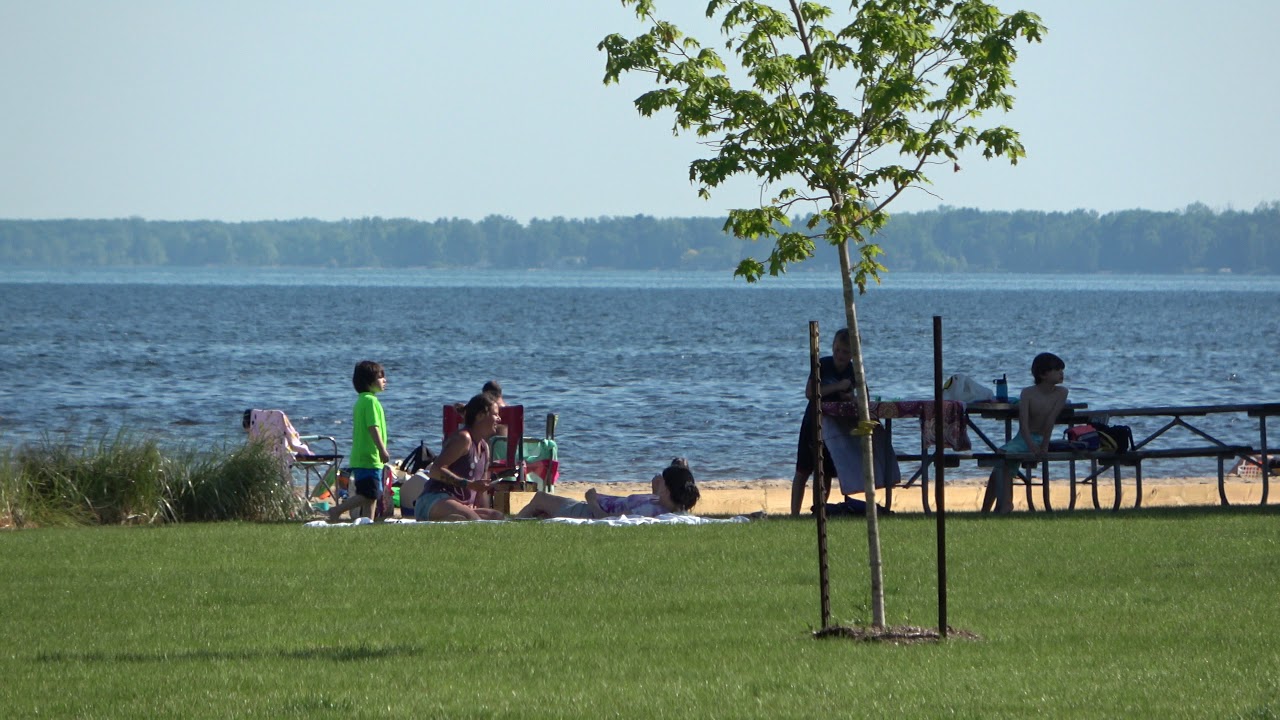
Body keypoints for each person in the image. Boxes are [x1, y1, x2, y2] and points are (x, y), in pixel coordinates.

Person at [982, 352, 1069, 514]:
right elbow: (1023, 425)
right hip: (1024, 438)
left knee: (1002, 460)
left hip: (1041, 438)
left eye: (1061, 370)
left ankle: (1003, 505)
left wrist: (1043, 447)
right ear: (1043, 374)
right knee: (1002, 460)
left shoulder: (1062, 393)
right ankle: (994, 507)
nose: (1061, 374)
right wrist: (1030, 445)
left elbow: (1050, 421)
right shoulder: (1027, 393)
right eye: (1057, 370)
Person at [791, 328, 856, 516]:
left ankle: (819, 511)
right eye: (837, 350)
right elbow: (810, 392)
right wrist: (837, 386)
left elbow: (863, 398)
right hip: (813, 422)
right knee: (803, 470)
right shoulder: (823, 364)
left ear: (852, 354)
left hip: (835, 427)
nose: (840, 355)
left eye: (845, 352)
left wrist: (850, 397)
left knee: (826, 472)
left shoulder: (853, 370)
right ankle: (794, 514)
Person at [414, 393, 505, 522]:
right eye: (495, 414)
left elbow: (481, 491)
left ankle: (451, 519)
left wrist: (487, 520)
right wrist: (468, 484)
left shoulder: (485, 448)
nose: (499, 419)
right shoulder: (463, 439)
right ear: (480, 416)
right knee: (471, 518)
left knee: (496, 517)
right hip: (433, 499)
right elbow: (435, 470)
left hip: (460, 505)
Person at [515, 459, 700, 519]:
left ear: (668, 489)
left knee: (539, 498)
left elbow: (608, 522)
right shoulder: (663, 504)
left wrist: (591, 500)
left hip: (588, 511)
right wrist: (655, 489)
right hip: (590, 507)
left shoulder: (651, 509)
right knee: (542, 509)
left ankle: (510, 527)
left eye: (663, 481)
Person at [329, 361, 390, 522]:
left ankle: (367, 522)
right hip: (369, 457)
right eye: (380, 377)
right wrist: (382, 450)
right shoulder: (370, 402)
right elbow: (373, 428)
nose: (385, 380)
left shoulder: (361, 401)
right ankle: (337, 510)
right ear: (369, 381)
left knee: (372, 495)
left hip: (362, 456)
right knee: (369, 494)